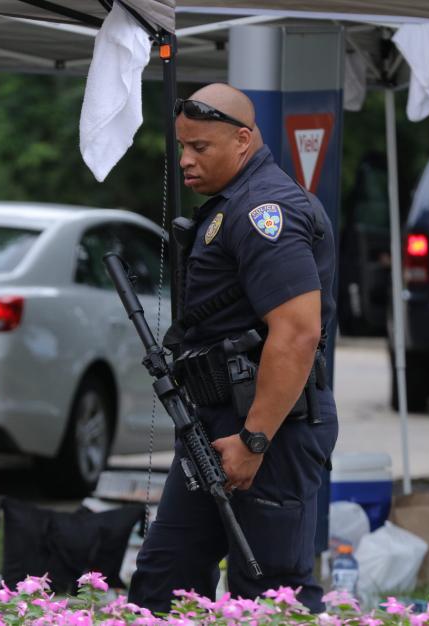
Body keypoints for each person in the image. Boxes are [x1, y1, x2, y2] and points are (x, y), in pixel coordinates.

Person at [128, 83, 338, 612]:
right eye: (181, 146)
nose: (185, 161)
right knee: (165, 582)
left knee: (270, 593)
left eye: (200, 147)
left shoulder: (266, 211)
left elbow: (297, 333)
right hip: (217, 423)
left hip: (270, 429)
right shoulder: (232, 205)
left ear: (243, 140)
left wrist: (255, 440)